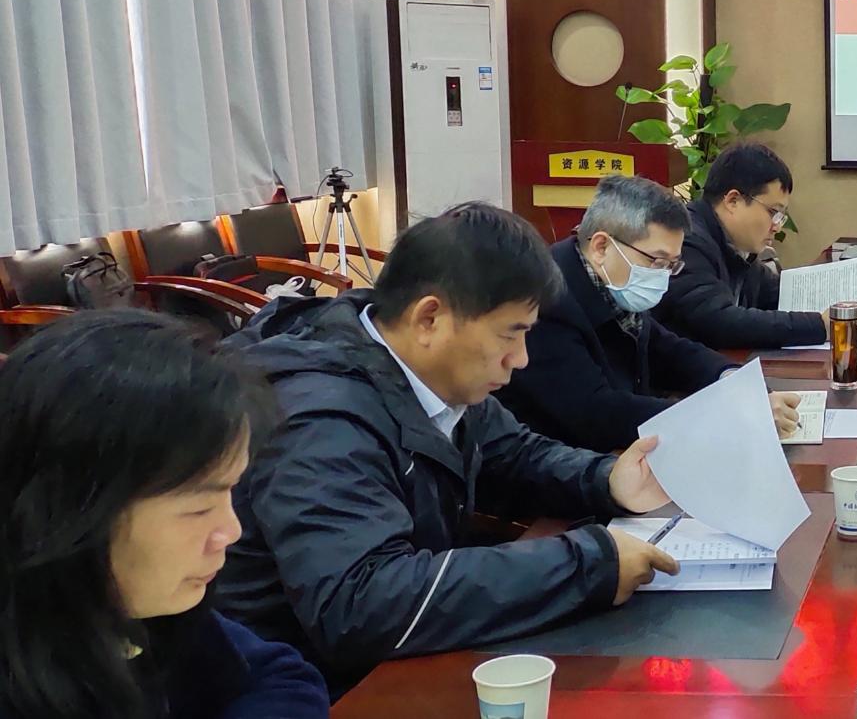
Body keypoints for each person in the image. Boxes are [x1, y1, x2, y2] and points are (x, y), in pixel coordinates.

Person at [214, 203, 681, 698]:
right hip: (306, 691)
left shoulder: (424, 370)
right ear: (429, 318)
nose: (521, 359)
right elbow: (360, 604)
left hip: (402, 662)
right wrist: (588, 563)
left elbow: (514, 452)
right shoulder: (320, 418)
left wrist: (606, 479)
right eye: (510, 334)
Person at [0, 311, 328, 719]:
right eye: (198, 508)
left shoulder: (144, 606)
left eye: (231, 491)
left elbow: (283, 675)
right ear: (70, 512)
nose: (231, 531)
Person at [499, 174, 804, 452]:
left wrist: (733, 380)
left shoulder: (613, 280)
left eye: (672, 264)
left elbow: (666, 349)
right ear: (602, 247)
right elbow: (597, 413)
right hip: (562, 474)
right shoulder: (547, 301)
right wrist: (723, 413)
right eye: (656, 262)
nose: (663, 276)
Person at [656, 142, 837, 350]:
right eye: (773, 212)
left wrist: (840, 301)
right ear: (733, 201)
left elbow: (776, 294)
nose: (777, 226)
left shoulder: (733, 244)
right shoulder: (686, 241)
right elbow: (718, 322)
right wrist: (819, 326)